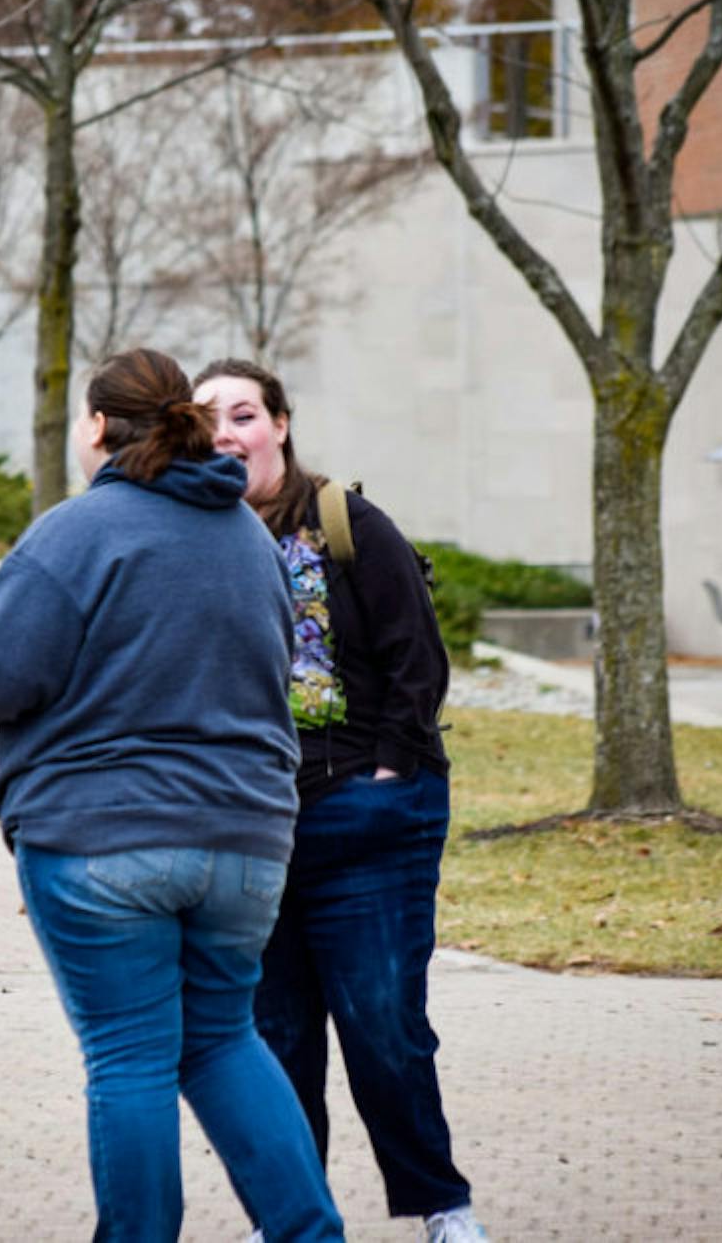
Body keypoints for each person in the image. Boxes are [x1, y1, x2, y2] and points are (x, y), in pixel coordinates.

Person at [0, 349, 343, 1242]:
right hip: (247, 840)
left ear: (96, 428)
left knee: (130, 1058)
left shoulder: (79, 531)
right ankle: (313, 1235)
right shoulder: (246, 537)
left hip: (104, 839)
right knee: (225, 1038)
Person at [193, 359, 485, 1243]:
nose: (226, 434)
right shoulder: (194, 532)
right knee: (273, 1039)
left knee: (384, 1031)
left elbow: (416, 660)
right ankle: (292, 1215)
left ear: (281, 424)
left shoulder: (345, 523)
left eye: (244, 414)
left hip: (365, 816)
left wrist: (392, 770)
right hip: (251, 827)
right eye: (206, 419)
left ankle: (443, 1205)